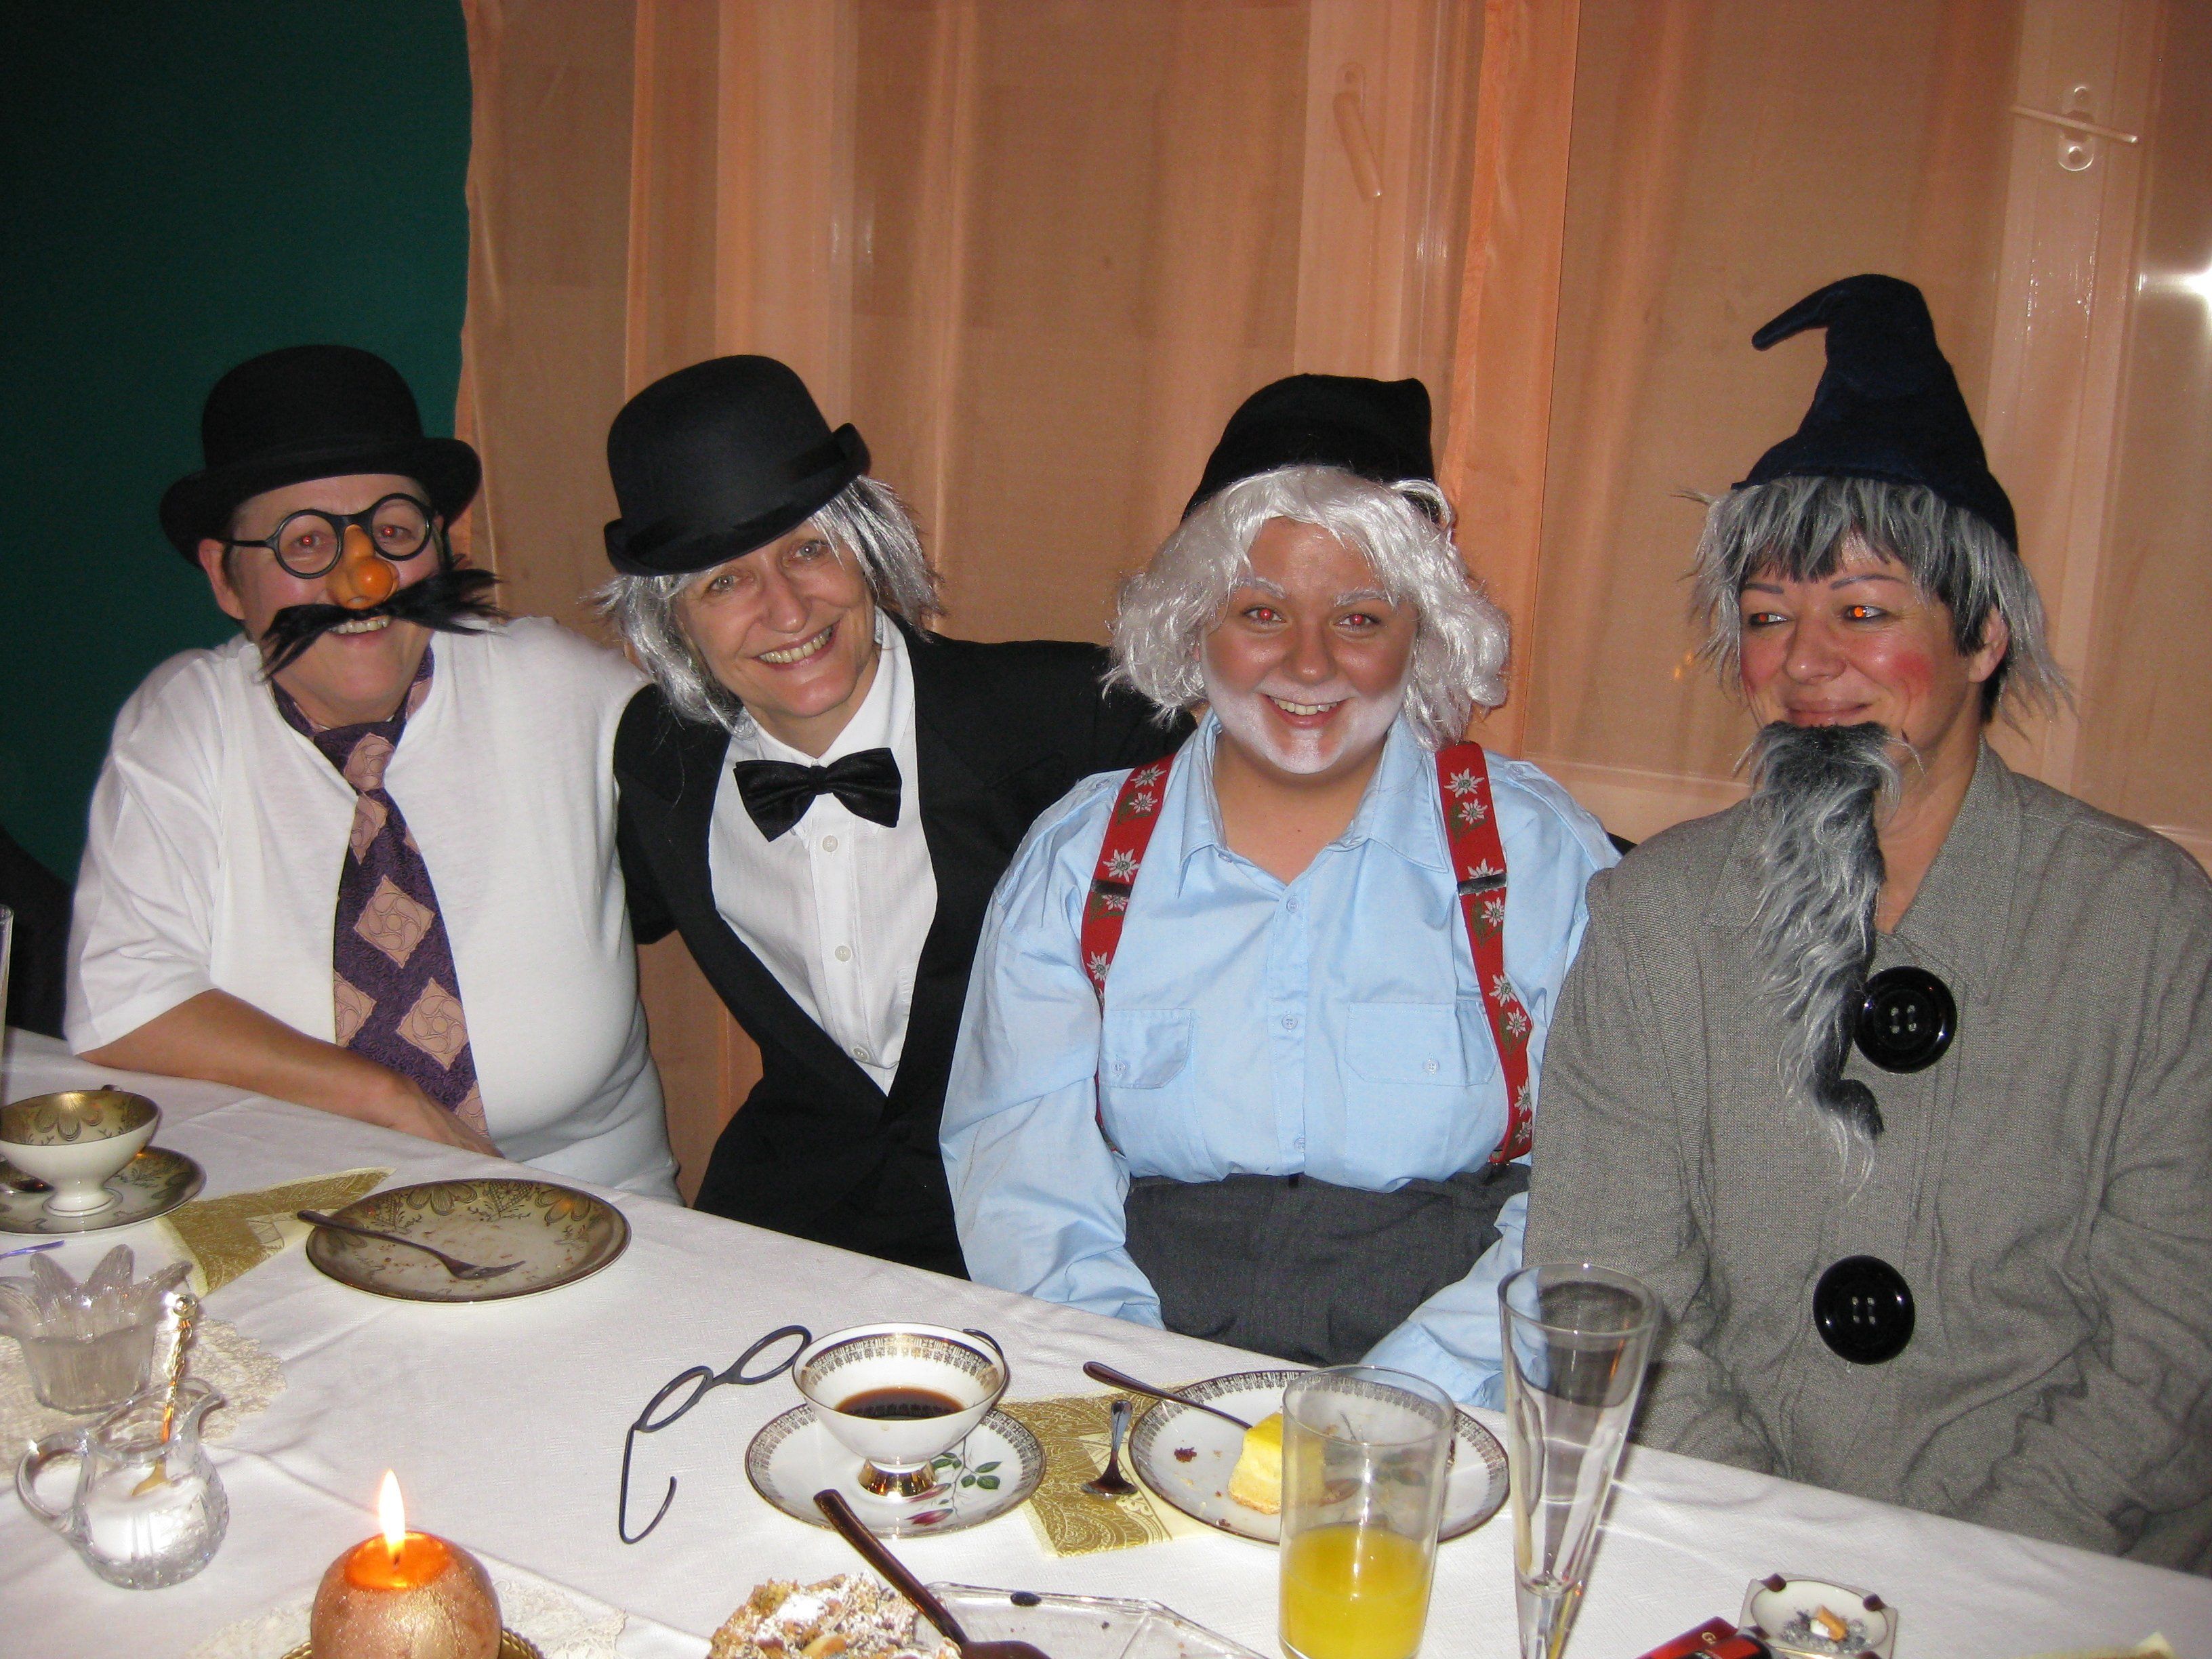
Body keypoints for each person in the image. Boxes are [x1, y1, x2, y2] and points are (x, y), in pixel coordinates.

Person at [1525, 275, 2212, 1569]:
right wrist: (1784, 1568)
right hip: (1722, 1556)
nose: (1800, 662)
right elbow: (1609, 1285)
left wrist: (1971, 1582)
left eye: (1862, 609)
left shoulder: (2145, 928)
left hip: (2063, 1573)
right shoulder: (1653, 918)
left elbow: (2173, 1337)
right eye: (1766, 617)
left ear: (1982, 634)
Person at [942, 375, 1616, 1404]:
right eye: (1261, 612)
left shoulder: (1532, 852)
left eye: (1360, 617)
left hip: (1457, 1371)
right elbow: (1021, 1176)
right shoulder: (1083, 861)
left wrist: (1405, 1399)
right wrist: (1141, 1391)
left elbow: (1599, 1187)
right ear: (1193, 626)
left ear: (1422, 635)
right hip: (1138, 1346)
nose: (1309, 664)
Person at [600, 355, 1185, 1275]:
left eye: (808, 550)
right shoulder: (658, 757)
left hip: (1045, 1221)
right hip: (789, 1217)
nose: (786, 609)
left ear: (867, 549)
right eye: (724, 583)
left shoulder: (1077, 719)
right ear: (673, 626)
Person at [68, 345, 676, 1200]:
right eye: (305, 542)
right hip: (299, 1207)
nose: (363, 582)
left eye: (393, 532)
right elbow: (118, 1000)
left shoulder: (561, 686)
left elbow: (742, 768)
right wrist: (383, 1098)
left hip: (592, 1202)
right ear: (225, 578)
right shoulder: (188, 723)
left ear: (440, 545)